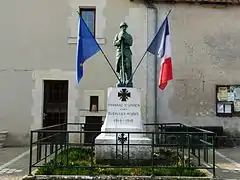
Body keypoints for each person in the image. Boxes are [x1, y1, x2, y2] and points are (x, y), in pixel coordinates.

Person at [113, 22, 133, 87]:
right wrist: (119, 40)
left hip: (126, 52)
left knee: (127, 66)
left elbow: (130, 42)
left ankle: (128, 80)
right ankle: (121, 80)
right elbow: (114, 43)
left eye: (124, 26)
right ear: (120, 28)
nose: (123, 28)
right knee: (121, 67)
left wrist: (125, 39)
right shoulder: (117, 35)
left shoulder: (129, 35)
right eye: (122, 27)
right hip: (120, 52)